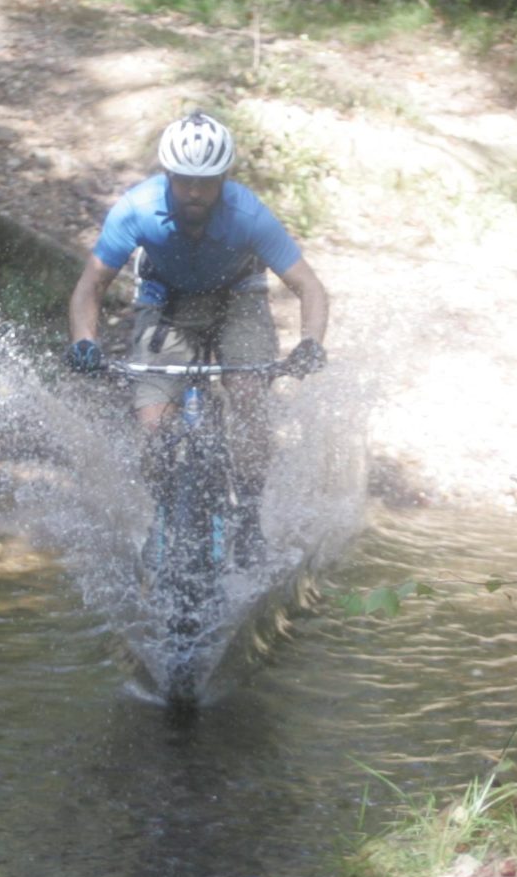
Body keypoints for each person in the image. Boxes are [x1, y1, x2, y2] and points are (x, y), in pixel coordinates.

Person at [66, 113, 331, 563]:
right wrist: (83, 342)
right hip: (166, 302)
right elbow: (90, 285)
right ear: (167, 173)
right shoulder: (137, 209)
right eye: (184, 180)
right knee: (154, 425)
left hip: (238, 298)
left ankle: (248, 520)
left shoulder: (248, 215)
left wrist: (310, 343)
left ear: (224, 178)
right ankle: (163, 514)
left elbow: (310, 288)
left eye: (206, 182)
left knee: (247, 393)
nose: (194, 191)